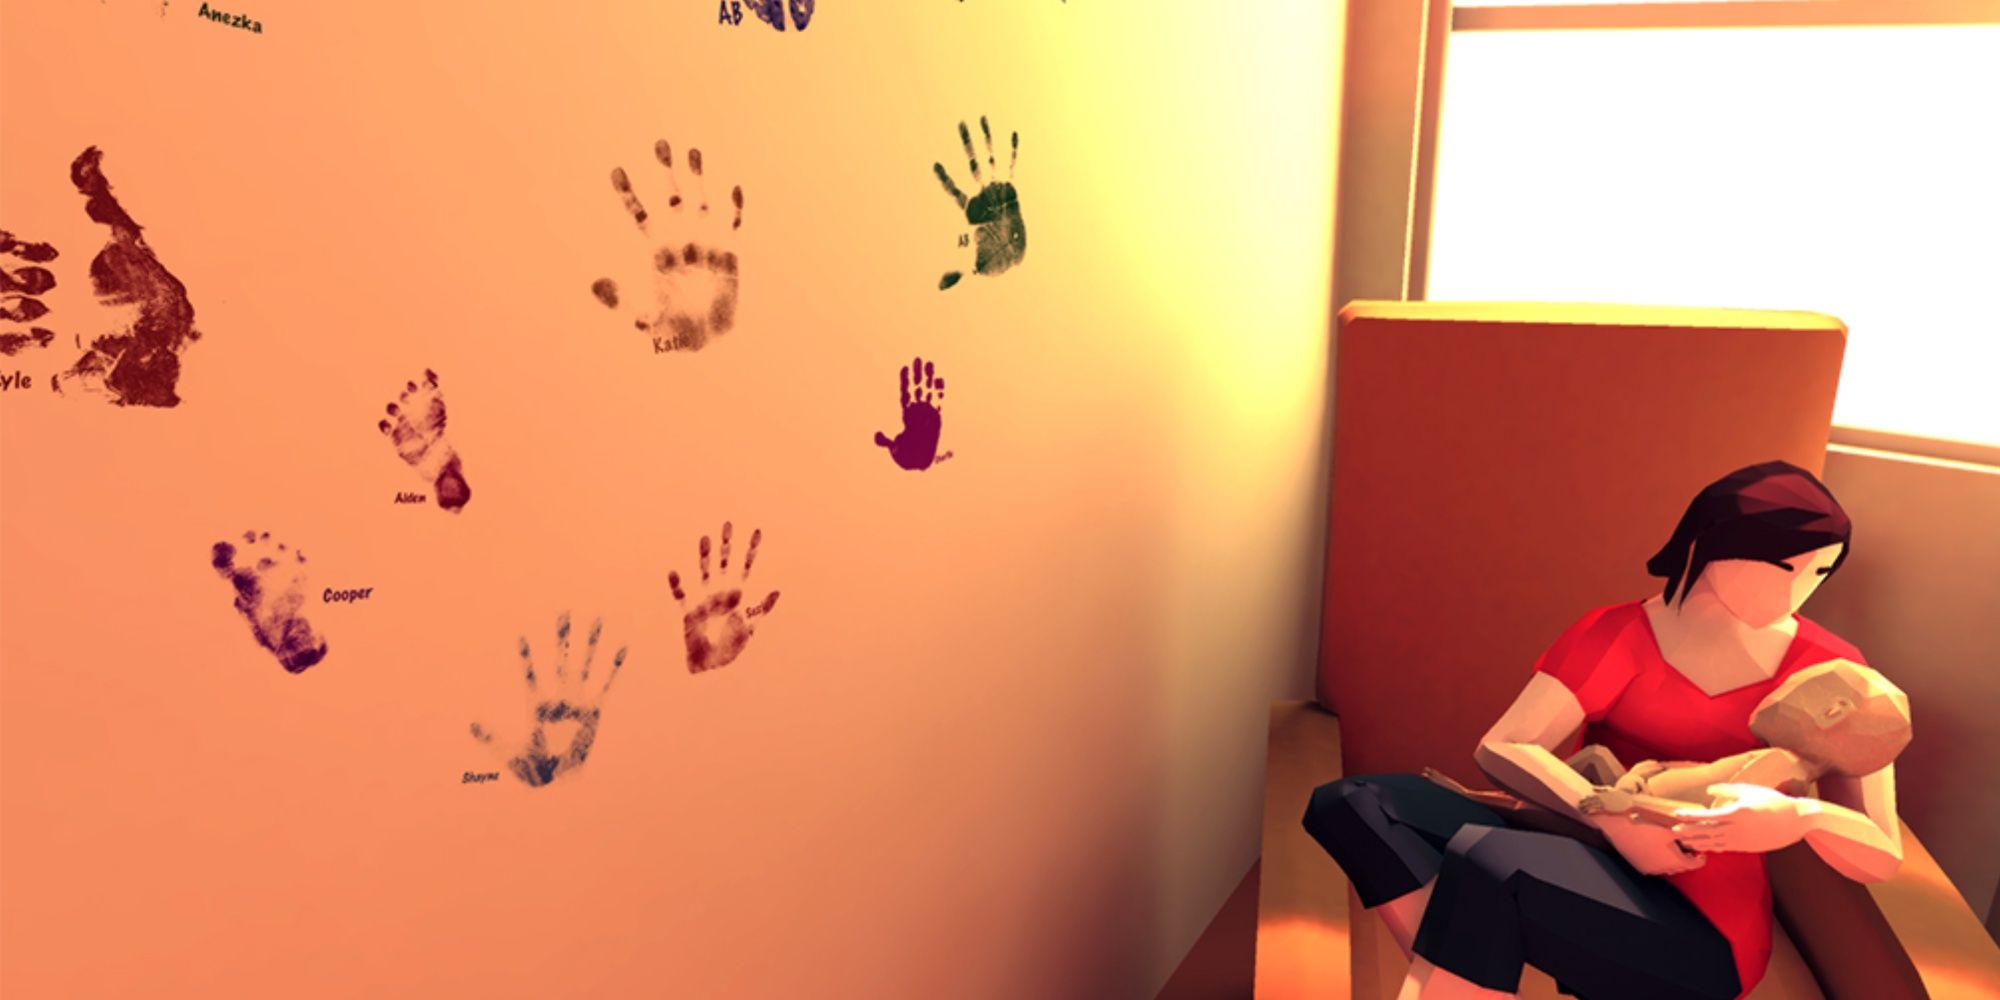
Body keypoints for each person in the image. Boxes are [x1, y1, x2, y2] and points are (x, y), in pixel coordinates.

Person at [1302, 460, 1905, 1000]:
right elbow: (1504, 747)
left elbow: (1881, 854)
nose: (1798, 591)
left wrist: (1806, 819)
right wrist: (1611, 820)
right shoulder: (1618, 633)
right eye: (1783, 567)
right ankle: (1477, 959)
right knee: (1352, 803)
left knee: (1492, 861)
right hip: (1584, 847)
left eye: (1820, 572)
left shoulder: (1835, 674)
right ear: (1715, 542)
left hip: (1704, 925)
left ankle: (1470, 960)